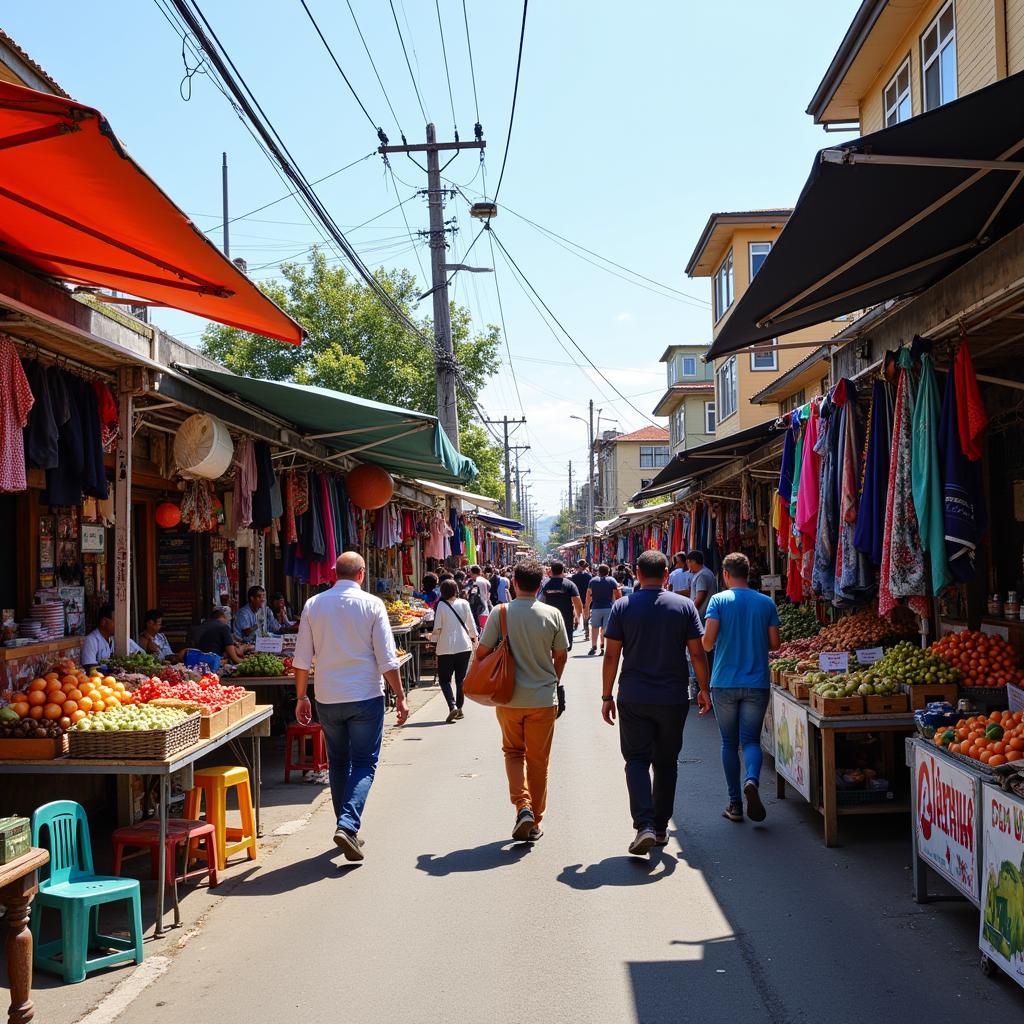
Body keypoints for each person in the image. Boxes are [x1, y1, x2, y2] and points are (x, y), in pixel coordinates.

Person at [293, 552, 409, 861]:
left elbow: (301, 658)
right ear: (361, 574)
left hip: (327, 697)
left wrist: (301, 696)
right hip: (365, 695)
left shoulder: (313, 605)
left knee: (339, 762)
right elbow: (387, 657)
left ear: (335, 574)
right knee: (364, 763)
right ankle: (347, 823)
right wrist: (401, 696)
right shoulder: (372, 604)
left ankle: (347, 828)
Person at [601, 550, 710, 855]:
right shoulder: (685, 606)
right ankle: (661, 828)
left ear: (637, 573)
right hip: (672, 697)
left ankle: (644, 825)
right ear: (666, 575)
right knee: (666, 763)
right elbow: (697, 653)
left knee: (636, 760)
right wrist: (704, 689)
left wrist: (607, 695)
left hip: (633, 696)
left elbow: (611, 655)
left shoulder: (623, 606)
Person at [476, 559, 568, 843]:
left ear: (513, 583)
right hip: (543, 698)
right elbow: (561, 653)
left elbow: (481, 652)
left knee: (513, 753)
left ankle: (523, 807)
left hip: (508, 698)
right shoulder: (552, 614)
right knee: (538, 761)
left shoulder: (499, 612)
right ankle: (535, 820)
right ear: (540, 585)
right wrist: (553, 677)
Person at [702, 551, 781, 824]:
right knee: (751, 740)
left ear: (725, 575)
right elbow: (775, 644)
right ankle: (752, 780)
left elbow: (707, 643)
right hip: (756, 682)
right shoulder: (765, 603)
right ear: (749, 574)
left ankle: (735, 805)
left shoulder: (718, 601)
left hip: (724, 681)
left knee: (728, 742)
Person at [429, 578, 478, 723]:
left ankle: (452, 706)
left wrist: (432, 642)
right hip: (464, 645)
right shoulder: (464, 603)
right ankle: (460, 708)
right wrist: (475, 639)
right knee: (460, 679)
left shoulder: (441, 606)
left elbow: (437, 628)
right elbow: (471, 625)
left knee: (444, 680)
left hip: (445, 647)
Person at [539, 562, 583, 718]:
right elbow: (577, 602)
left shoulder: (546, 584)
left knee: (548, 651)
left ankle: (549, 679)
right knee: (561, 654)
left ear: (551, 571)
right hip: (565, 624)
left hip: (548, 623)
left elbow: (540, 602)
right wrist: (579, 617)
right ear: (563, 570)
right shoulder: (569, 584)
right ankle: (555, 682)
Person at [583, 564, 621, 656]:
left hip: (596, 608)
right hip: (608, 607)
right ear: (608, 572)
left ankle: (594, 646)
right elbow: (617, 594)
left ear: (598, 571)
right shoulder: (612, 580)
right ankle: (602, 645)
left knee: (594, 627)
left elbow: (588, 595)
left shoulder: (593, 581)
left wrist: (587, 606)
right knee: (605, 628)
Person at [686, 551, 718, 622]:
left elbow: (699, 599)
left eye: (688, 562)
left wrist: (690, 614)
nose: (688, 565)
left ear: (693, 562)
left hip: (701, 616)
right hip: (707, 615)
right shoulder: (706, 572)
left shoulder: (702, 576)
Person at [569, 561, 592, 636]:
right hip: (586, 596)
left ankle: (575, 626)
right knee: (586, 614)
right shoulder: (589, 576)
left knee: (577, 612)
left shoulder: (574, 577)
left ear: (579, 567)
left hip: (577, 596)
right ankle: (586, 630)